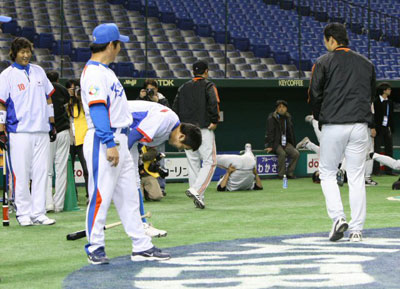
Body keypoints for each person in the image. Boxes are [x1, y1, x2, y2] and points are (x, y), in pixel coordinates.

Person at [80, 23, 170, 264]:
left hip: (119, 138)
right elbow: (97, 108)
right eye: (119, 44)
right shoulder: (94, 73)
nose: (120, 48)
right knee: (101, 195)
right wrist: (109, 142)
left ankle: (141, 246)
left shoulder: (106, 71)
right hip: (104, 138)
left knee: (130, 195)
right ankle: (95, 246)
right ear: (111, 45)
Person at [309, 23, 375, 242]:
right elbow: (371, 95)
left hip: (334, 123)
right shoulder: (366, 63)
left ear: (331, 40)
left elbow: (314, 95)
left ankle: (338, 218)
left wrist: (319, 117)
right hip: (360, 125)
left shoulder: (323, 62)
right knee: (356, 176)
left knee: (327, 172)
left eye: (325, 40)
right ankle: (356, 230)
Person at [0, 37, 56, 226]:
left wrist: (52, 122)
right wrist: (1, 130)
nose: (25, 55)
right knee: (21, 174)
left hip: (41, 130)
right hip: (19, 131)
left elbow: (49, 98)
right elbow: (2, 104)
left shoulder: (39, 71)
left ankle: (38, 212)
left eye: (28, 51)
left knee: (42, 172)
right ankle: (23, 213)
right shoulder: (6, 76)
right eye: (22, 52)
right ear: (14, 54)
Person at [128, 100, 202, 236]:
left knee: (134, 181)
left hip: (123, 130)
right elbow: (133, 135)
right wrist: (116, 153)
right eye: (183, 147)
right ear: (182, 136)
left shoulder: (168, 129)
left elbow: (137, 140)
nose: (179, 148)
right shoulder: (166, 120)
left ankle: (141, 224)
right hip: (113, 121)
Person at [172, 60, 220, 209]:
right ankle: (197, 190)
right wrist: (214, 120)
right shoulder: (208, 85)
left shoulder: (183, 87)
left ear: (193, 72)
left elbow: (175, 107)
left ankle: (198, 196)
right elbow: (214, 103)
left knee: (193, 163)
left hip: (186, 129)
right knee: (210, 161)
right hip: (202, 129)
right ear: (206, 71)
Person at [137, 78, 169, 196]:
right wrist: (141, 98)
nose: (150, 91)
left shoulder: (162, 99)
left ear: (157, 89)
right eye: (148, 89)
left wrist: (157, 102)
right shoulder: (142, 99)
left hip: (158, 135)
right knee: (140, 159)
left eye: (152, 89)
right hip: (144, 134)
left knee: (160, 160)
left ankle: (161, 187)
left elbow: (167, 114)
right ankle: (141, 186)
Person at [45, 71, 70, 213]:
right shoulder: (63, 90)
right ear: (58, 79)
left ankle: (48, 203)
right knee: (61, 169)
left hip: (49, 132)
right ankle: (58, 205)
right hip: (64, 131)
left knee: (47, 170)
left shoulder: (43, 89)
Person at [264, 100, 299, 179]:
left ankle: (290, 173)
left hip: (285, 142)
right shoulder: (271, 118)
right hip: (275, 143)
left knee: (296, 153)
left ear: (286, 109)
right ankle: (281, 174)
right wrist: (269, 145)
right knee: (282, 154)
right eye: (279, 107)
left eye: (283, 107)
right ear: (276, 109)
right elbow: (270, 132)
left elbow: (291, 132)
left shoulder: (288, 118)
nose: (281, 109)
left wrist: (293, 145)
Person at [67, 81, 89, 201]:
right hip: (69, 140)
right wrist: (68, 97)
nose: (74, 91)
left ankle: (89, 195)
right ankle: (72, 196)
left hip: (82, 139)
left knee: (86, 169)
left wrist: (80, 96)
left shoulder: (83, 103)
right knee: (69, 171)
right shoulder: (66, 104)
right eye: (71, 89)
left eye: (75, 89)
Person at [373, 82, 394, 175]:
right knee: (376, 149)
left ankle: (389, 170)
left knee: (389, 149)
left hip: (387, 128)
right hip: (378, 128)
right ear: (384, 91)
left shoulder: (390, 102)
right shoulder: (375, 102)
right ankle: (376, 170)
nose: (390, 91)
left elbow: (391, 116)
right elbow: (373, 116)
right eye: (388, 89)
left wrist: (390, 127)